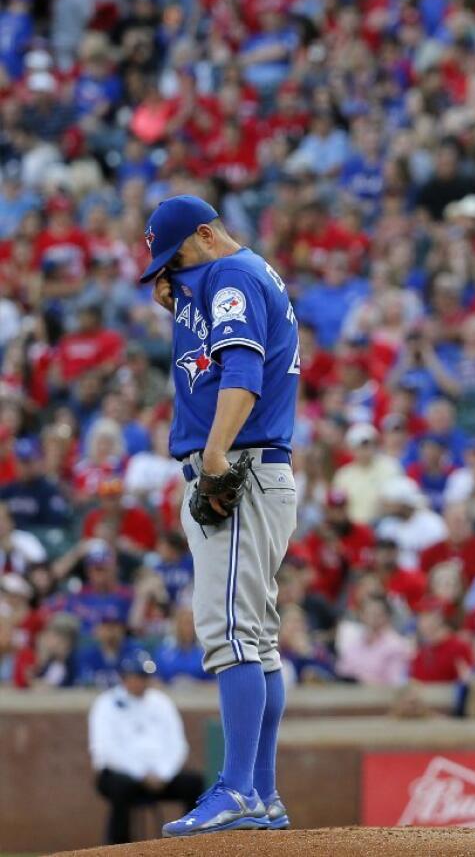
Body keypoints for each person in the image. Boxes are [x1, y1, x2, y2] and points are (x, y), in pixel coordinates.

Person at [142, 195, 299, 836]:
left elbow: (242, 370)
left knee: (230, 633)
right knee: (256, 639)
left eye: (175, 258)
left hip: (238, 465)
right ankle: (260, 793)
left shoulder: (231, 275)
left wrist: (212, 457)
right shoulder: (232, 275)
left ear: (206, 235)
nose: (170, 274)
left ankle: (237, 788)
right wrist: (179, 298)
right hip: (262, 468)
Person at [88, 652, 205, 845]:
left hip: (161, 776)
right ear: (124, 677)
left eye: (145, 676)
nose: (142, 681)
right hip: (121, 773)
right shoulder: (106, 704)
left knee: (194, 783)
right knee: (121, 788)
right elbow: (107, 749)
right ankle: (118, 846)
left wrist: (162, 773)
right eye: (137, 676)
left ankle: (191, 843)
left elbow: (178, 745)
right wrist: (141, 773)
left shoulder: (161, 702)